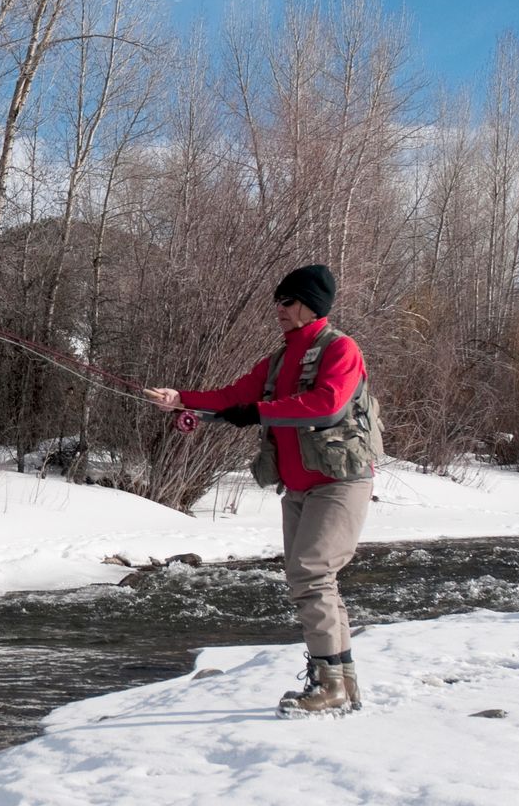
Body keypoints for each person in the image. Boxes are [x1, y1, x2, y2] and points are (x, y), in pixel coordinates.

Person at [143, 264, 380, 718]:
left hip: (340, 483)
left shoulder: (341, 349)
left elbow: (328, 405)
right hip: (299, 486)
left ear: (311, 305)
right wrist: (181, 399)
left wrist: (255, 412)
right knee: (310, 579)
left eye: (288, 301)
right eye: (278, 301)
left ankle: (328, 684)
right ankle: (342, 683)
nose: (279, 309)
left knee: (311, 575)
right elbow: (233, 396)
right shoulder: (279, 359)